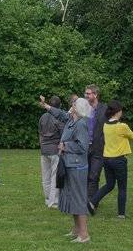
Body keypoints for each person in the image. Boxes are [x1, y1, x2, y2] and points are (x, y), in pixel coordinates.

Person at [38, 95, 92, 243]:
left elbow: (83, 146)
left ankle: (84, 234)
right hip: (69, 164)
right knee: (71, 198)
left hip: (77, 166)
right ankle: (76, 230)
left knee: (78, 199)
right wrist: (46, 106)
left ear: (77, 108)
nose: (71, 106)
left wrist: (65, 146)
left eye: (73, 104)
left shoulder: (81, 124)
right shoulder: (71, 120)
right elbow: (59, 113)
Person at [90, 100, 133, 218]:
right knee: (122, 187)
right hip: (118, 160)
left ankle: (91, 202)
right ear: (118, 112)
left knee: (109, 185)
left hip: (106, 159)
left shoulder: (106, 125)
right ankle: (121, 214)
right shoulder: (122, 126)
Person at [39, 95, 65, 208]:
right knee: (54, 176)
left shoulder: (42, 117)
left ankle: (47, 198)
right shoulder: (59, 118)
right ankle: (53, 201)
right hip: (55, 150)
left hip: (44, 149)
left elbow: (40, 133)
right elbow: (63, 135)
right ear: (59, 106)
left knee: (46, 176)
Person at [84, 85, 108, 201]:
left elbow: (113, 124)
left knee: (94, 175)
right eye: (85, 93)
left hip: (98, 148)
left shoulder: (104, 109)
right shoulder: (83, 108)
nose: (86, 95)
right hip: (84, 147)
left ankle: (91, 202)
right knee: (85, 175)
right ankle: (86, 200)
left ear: (95, 95)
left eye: (88, 93)